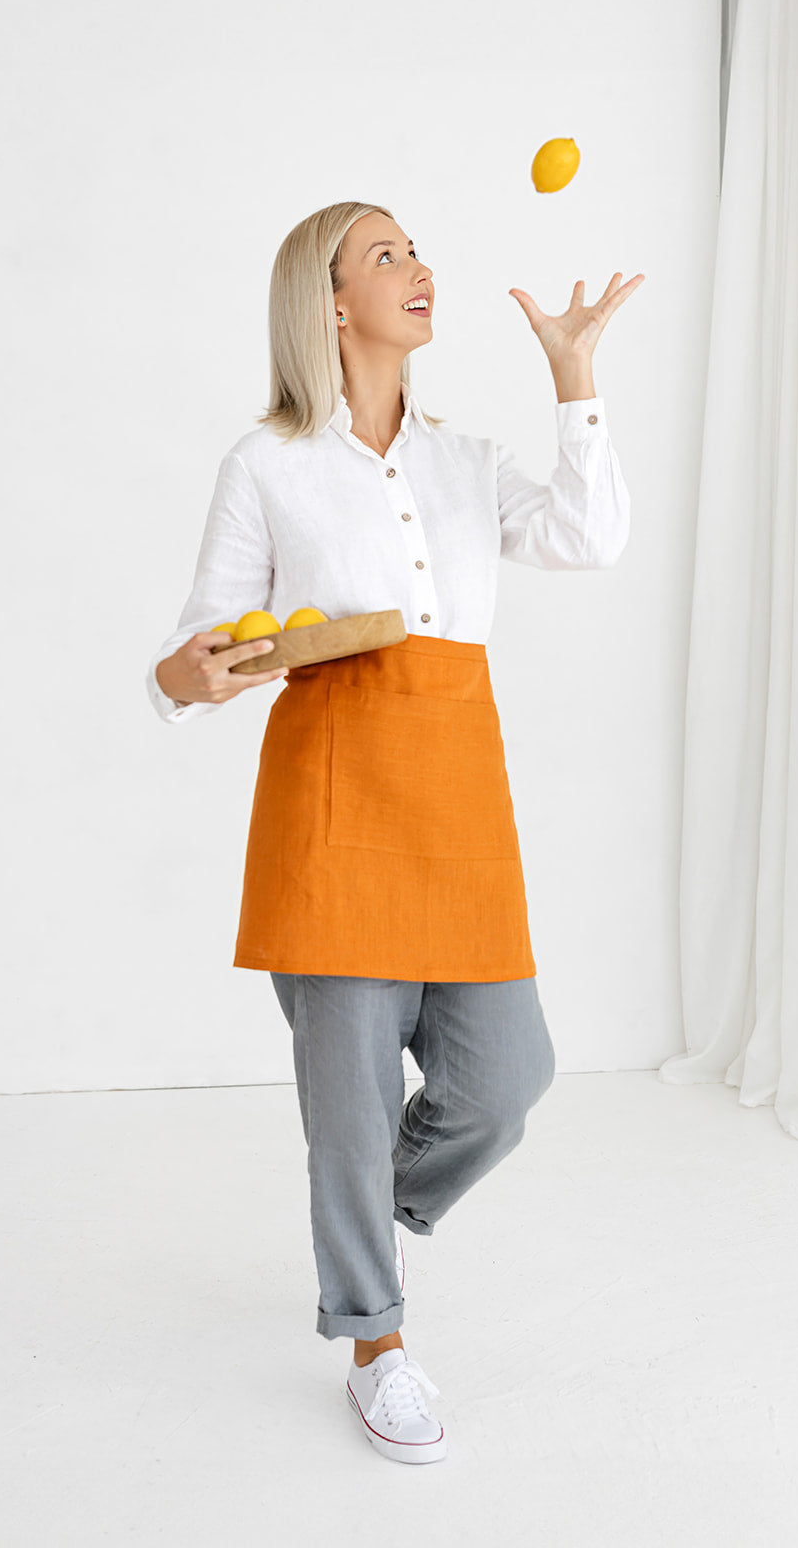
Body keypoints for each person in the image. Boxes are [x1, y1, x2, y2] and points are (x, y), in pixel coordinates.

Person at [146, 201, 644, 1464]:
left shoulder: (465, 463)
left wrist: (573, 378)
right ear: (327, 300)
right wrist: (196, 674)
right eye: (387, 255)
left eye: (415, 251)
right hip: (331, 799)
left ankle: (358, 1207)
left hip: (457, 796)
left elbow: (589, 537)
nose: (419, 269)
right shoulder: (266, 464)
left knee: (505, 1078)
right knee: (352, 1102)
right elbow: (201, 648)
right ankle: (374, 1335)